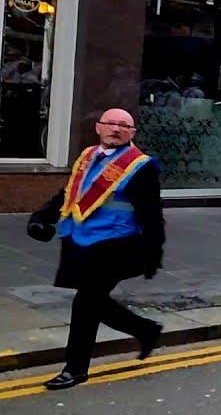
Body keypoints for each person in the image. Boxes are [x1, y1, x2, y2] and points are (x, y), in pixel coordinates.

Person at [26, 109, 165, 390]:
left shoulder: (140, 165)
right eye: (110, 124)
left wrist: (153, 253)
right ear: (98, 127)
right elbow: (69, 193)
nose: (116, 129)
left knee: (86, 304)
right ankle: (146, 330)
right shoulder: (88, 155)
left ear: (132, 133)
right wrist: (42, 217)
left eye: (124, 126)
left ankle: (75, 369)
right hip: (79, 239)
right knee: (94, 301)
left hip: (115, 245)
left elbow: (151, 213)